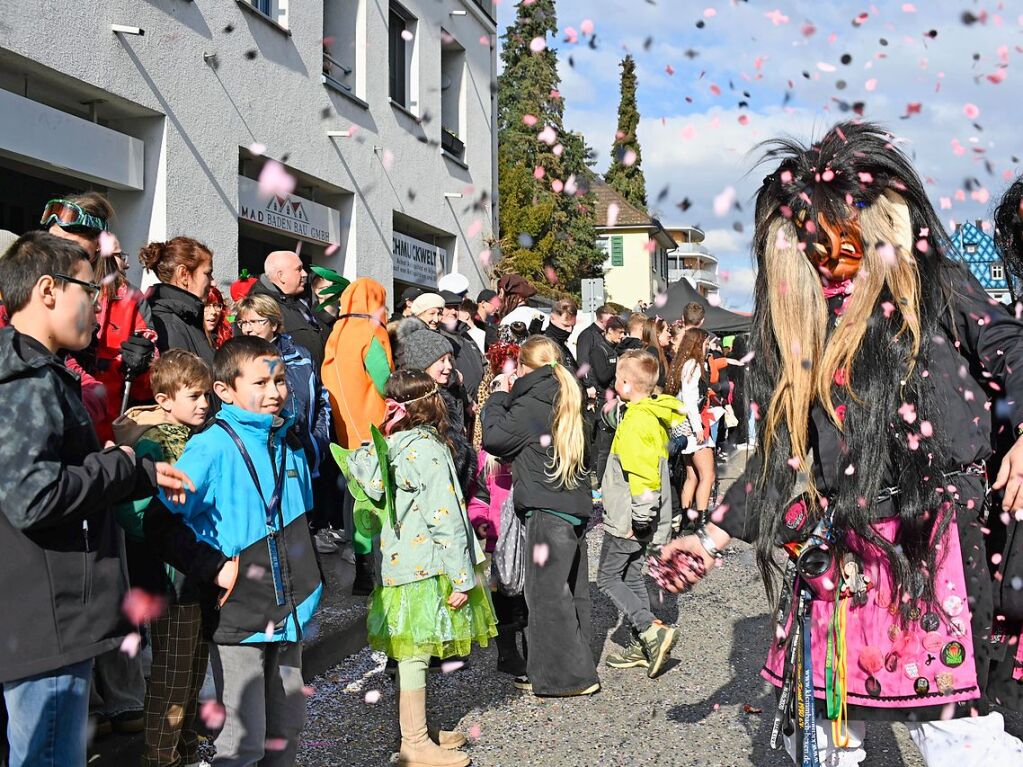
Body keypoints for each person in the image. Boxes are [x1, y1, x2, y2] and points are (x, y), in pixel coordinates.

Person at [659, 121, 1023, 765]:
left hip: (932, 543)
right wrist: (707, 536)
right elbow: (782, 462)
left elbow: (1012, 352)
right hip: (840, 556)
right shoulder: (799, 330)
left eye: (844, 243)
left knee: (955, 732)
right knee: (827, 735)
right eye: (811, 248)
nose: (830, 264)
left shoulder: (933, 284)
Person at [0, 232, 191, 767]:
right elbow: (32, 495)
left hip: (45, 605)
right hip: (47, 612)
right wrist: (121, 464)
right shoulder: (26, 377)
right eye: (90, 288)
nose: (101, 305)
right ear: (47, 290)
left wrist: (138, 471)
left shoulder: (41, 370)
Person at [161, 336, 323, 767]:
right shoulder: (210, 447)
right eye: (260, 383)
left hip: (288, 611)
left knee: (286, 728)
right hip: (241, 615)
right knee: (242, 742)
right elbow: (162, 523)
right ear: (225, 390)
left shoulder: (287, 440)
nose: (274, 392)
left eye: (281, 381)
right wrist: (215, 569)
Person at [338, 369, 497, 767]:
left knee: (416, 651)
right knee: (414, 655)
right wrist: (462, 576)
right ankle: (414, 743)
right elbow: (443, 517)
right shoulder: (426, 449)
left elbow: (367, 476)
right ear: (433, 403)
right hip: (428, 565)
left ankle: (419, 732)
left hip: (398, 563)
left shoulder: (389, 444)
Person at [113, 350, 218, 767]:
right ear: (163, 400)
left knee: (193, 671)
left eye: (207, 395)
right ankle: (162, 757)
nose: (204, 404)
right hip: (170, 577)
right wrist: (176, 534)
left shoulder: (197, 437)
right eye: (193, 395)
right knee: (172, 676)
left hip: (199, 569)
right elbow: (135, 514)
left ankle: (187, 752)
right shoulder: (154, 444)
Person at [482, 335, 600, 697]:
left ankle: (567, 678)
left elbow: (494, 439)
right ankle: (575, 665)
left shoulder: (532, 401)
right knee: (573, 592)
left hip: (547, 510)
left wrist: (499, 396)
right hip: (573, 506)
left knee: (546, 596)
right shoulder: (568, 394)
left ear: (524, 368)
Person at [597, 350, 682, 677]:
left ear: (627, 384)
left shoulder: (636, 424)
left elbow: (643, 477)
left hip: (630, 520)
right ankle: (641, 646)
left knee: (607, 578)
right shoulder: (648, 413)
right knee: (632, 575)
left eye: (619, 379)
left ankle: (650, 630)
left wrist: (640, 520)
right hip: (640, 518)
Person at [322, 278, 394, 594]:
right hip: (374, 427)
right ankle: (373, 571)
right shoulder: (372, 331)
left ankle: (360, 565)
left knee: (355, 499)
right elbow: (385, 381)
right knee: (375, 501)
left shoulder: (336, 334)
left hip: (344, 431)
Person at [468, 339, 528, 682]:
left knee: (526, 593)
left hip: (525, 527)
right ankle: (508, 652)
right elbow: (478, 495)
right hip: (499, 533)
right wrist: (480, 523)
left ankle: (531, 650)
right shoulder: (486, 460)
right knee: (506, 594)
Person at [234, 294, 332, 499]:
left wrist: (317, 443)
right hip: (265, 458)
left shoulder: (301, 356)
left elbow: (322, 400)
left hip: (304, 454)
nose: (248, 328)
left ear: (275, 324)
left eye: (255, 321)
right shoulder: (237, 362)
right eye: (243, 322)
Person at [394, 318, 476, 497]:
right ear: (422, 365)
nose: (448, 367)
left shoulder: (445, 395)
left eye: (449, 359)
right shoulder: (421, 406)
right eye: (441, 361)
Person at [90, 231, 159, 443]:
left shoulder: (132, 298)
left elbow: (150, 373)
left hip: (114, 417)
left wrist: (142, 361)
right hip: (74, 412)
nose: (126, 265)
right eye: (121, 256)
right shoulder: (68, 289)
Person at [665, 328, 714, 532]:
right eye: (705, 343)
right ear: (697, 343)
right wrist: (698, 428)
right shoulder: (693, 365)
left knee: (691, 475)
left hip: (681, 427)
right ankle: (701, 520)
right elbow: (690, 400)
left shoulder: (680, 363)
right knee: (707, 475)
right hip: (693, 428)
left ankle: (686, 519)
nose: (707, 346)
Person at [142, 237, 215, 364]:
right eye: (207, 273)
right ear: (184, 274)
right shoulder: (168, 324)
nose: (213, 282)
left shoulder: (186, 316)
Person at [249, 250, 326, 367]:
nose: (305, 274)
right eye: (298, 269)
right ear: (281, 276)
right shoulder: (259, 308)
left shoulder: (301, 302)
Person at [439, 291, 485, 409]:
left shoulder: (465, 334)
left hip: (477, 403)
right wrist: (467, 400)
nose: (453, 312)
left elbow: (482, 361)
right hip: (456, 405)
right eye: (448, 308)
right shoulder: (439, 337)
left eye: (456, 308)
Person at [576, 305, 614, 403]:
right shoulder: (587, 335)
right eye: (610, 319)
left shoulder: (604, 335)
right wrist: (589, 385)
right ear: (601, 319)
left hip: (604, 388)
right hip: (594, 389)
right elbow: (583, 361)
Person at [543, 297, 580, 378]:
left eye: (572, 326)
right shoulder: (543, 346)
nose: (569, 330)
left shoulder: (562, 346)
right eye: (565, 325)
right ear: (552, 318)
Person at [203, 285, 233, 351]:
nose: (213, 312)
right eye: (206, 305)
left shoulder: (230, 331)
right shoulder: (190, 337)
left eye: (217, 306)